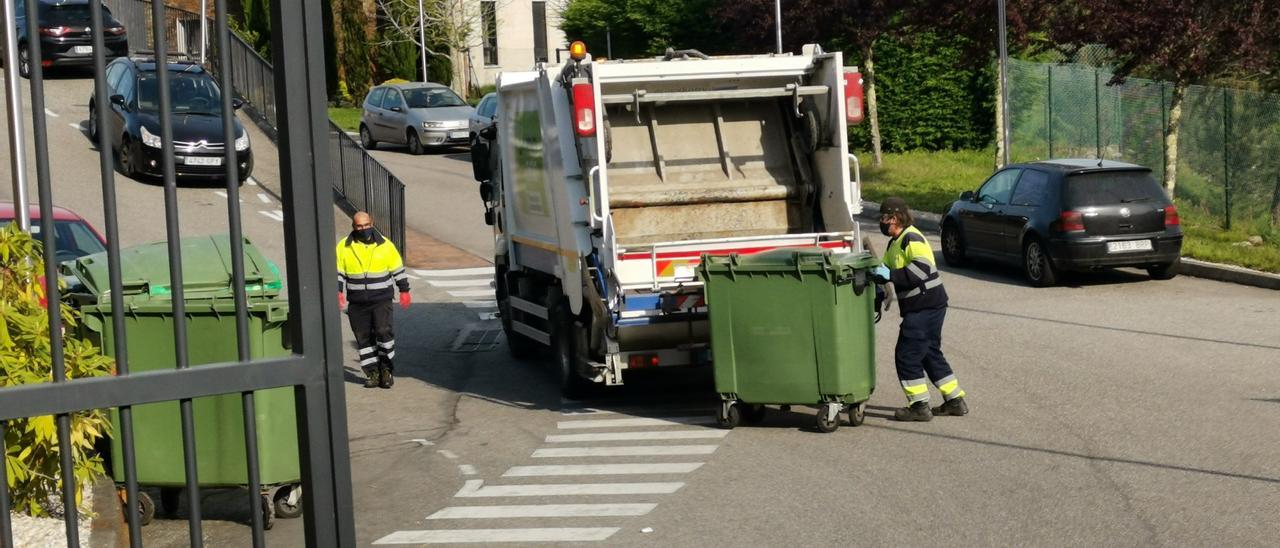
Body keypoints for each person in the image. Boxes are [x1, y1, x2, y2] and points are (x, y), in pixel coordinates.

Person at [870, 197, 968, 421]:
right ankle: (955, 400)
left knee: (907, 355)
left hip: (925, 306)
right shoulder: (895, 242)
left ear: (894, 218)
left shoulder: (911, 238)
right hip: (928, 305)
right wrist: (877, 280)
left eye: (884, 218)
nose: (882, 223)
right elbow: (883, 268)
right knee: (929, 353)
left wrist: (890, 276)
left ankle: (919, 406)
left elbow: (922, 270)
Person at [337, 212, 411, 388]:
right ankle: (373, 373)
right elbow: (338, 272)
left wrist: (404, 290)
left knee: (383, 332)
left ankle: (386, 370)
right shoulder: (343, 247)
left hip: (381, 299)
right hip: (357, 301)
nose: (363, 229)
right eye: (359, 226)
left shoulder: (385, 245)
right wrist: (338, 291)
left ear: (372, 223)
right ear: (353, 227)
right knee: (363, 339)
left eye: (366, 225)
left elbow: (397, 270)